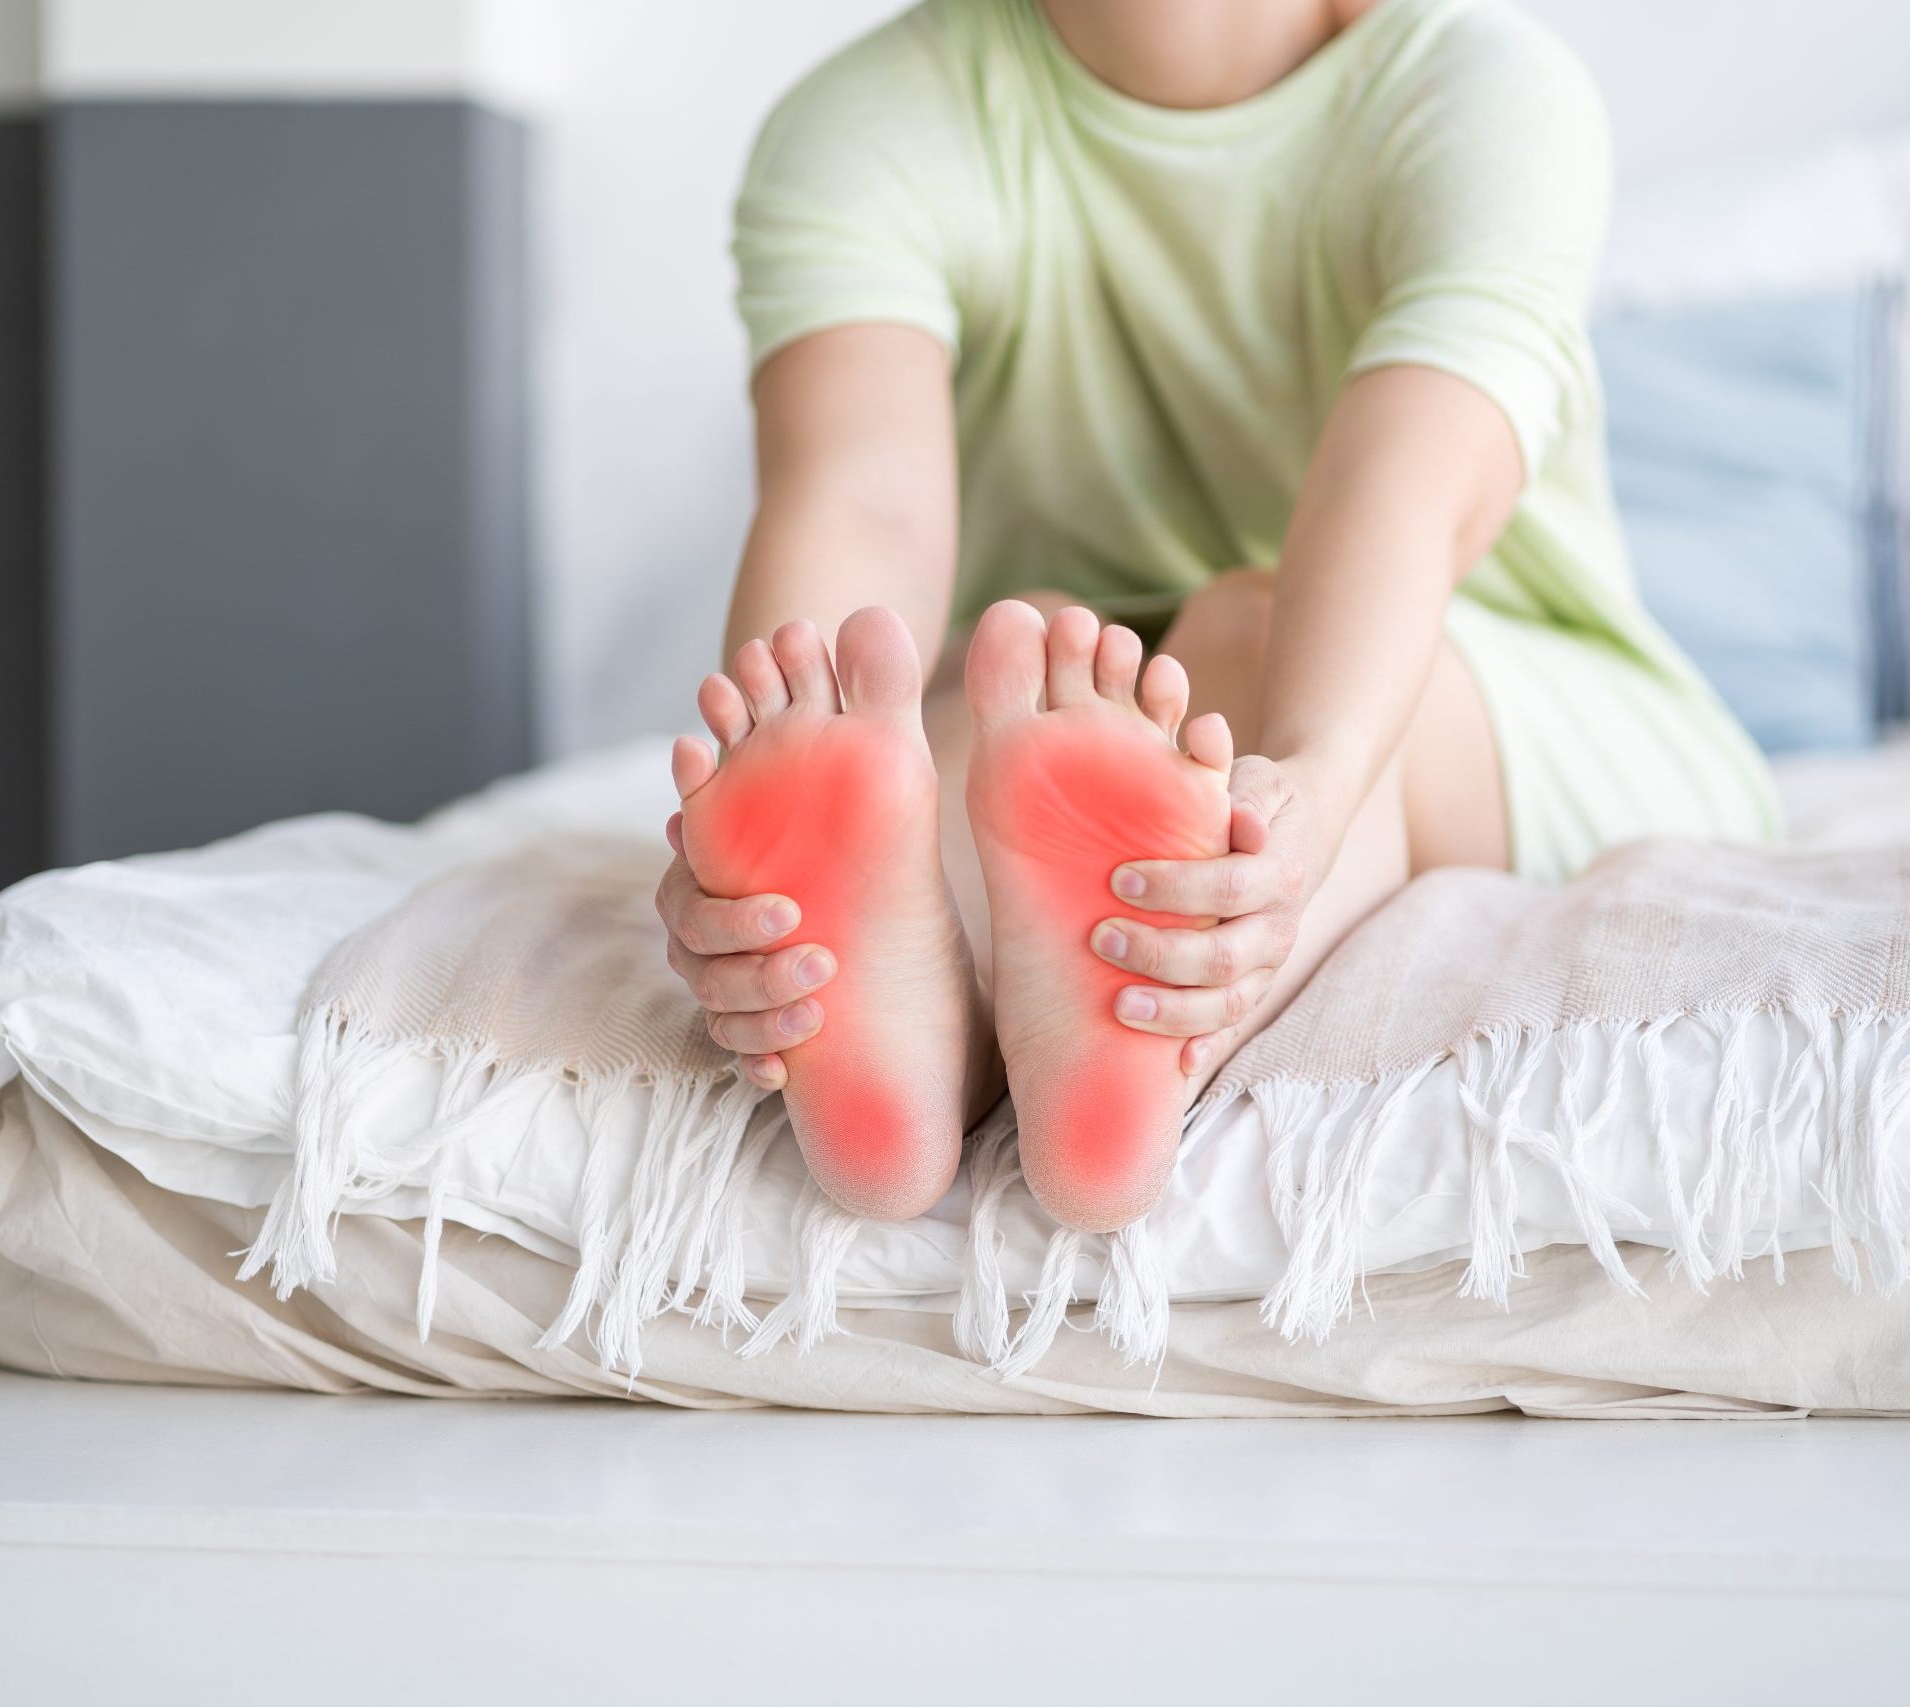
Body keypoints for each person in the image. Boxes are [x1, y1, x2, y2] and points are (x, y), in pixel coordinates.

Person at [654, 0, 1779, 1234]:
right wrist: (789, 760)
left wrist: (1307, 796)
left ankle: (1116, 1019)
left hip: (1501, 685)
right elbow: (858, 506)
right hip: (1093, 692)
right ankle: (921, 1029)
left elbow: (1399, 502)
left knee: (1251, 632)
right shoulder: (866, 122)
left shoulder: (1480, 88)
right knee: (1014, 654)